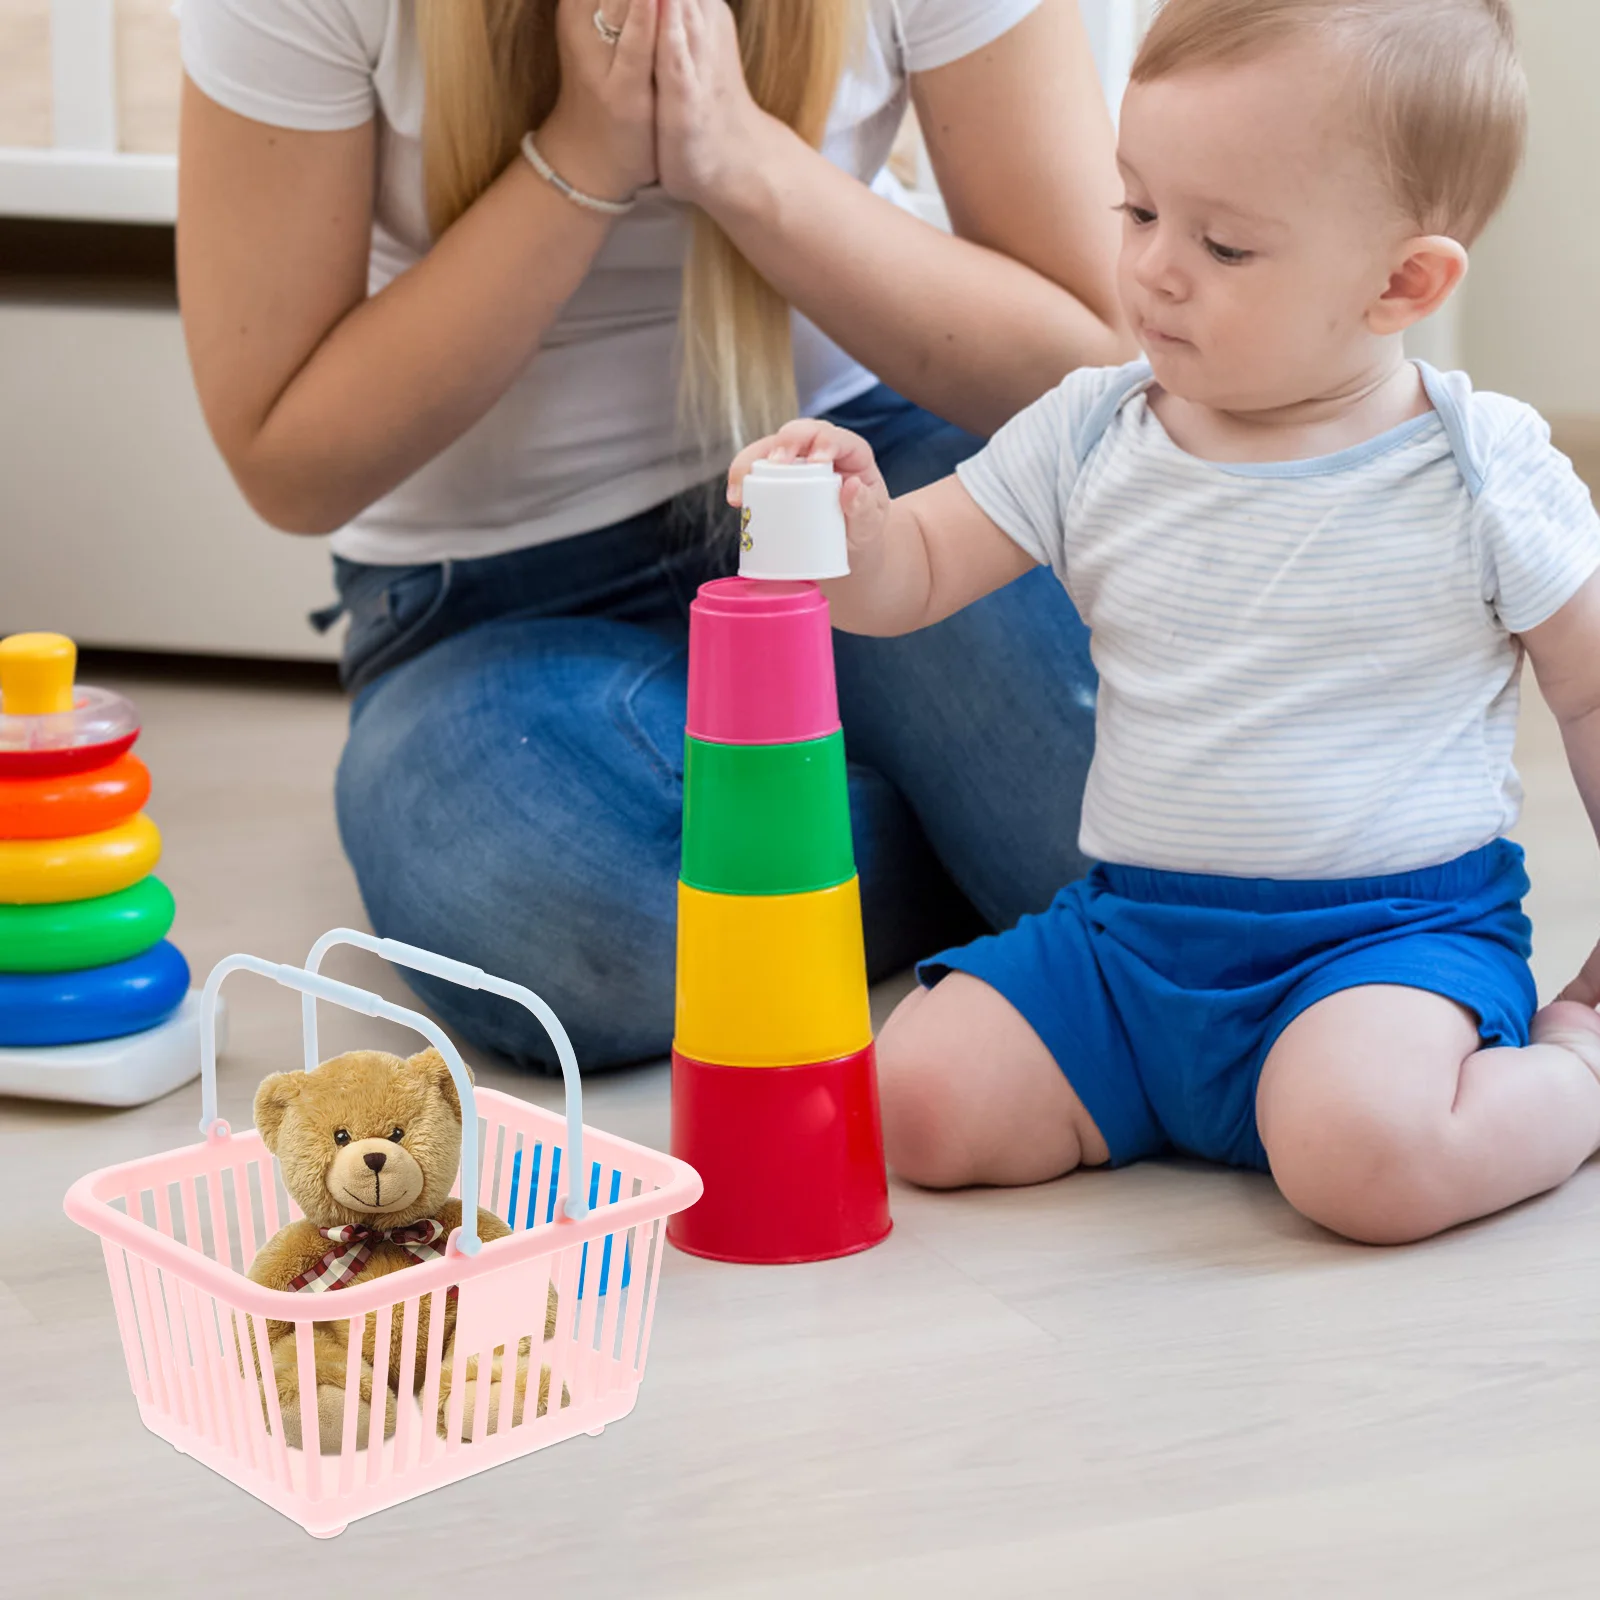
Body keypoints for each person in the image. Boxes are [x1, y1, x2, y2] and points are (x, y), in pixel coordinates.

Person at [729, 0, 1600, 1246]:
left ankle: (1575, 1077)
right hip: (1134, 942)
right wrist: (849, 528)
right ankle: (1182, 1095)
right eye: (1136, 210)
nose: (1151, 267)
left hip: (1385, 947)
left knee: (1366, 1155)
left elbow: (1591, 688)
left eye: (1223, 247)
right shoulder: (1093, 428)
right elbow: (912, 575)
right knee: (915, 1100)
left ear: (1401, 283)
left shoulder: (1479, 470)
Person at [173, 0, 1132, 1067]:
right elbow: (285, 461)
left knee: (1135, 812)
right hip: (489, 596)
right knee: (594, 926)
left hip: (855, 488)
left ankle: (802, 828)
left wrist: (737, 157)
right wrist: (580, 160)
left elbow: (1090, 362)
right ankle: (910, 814)